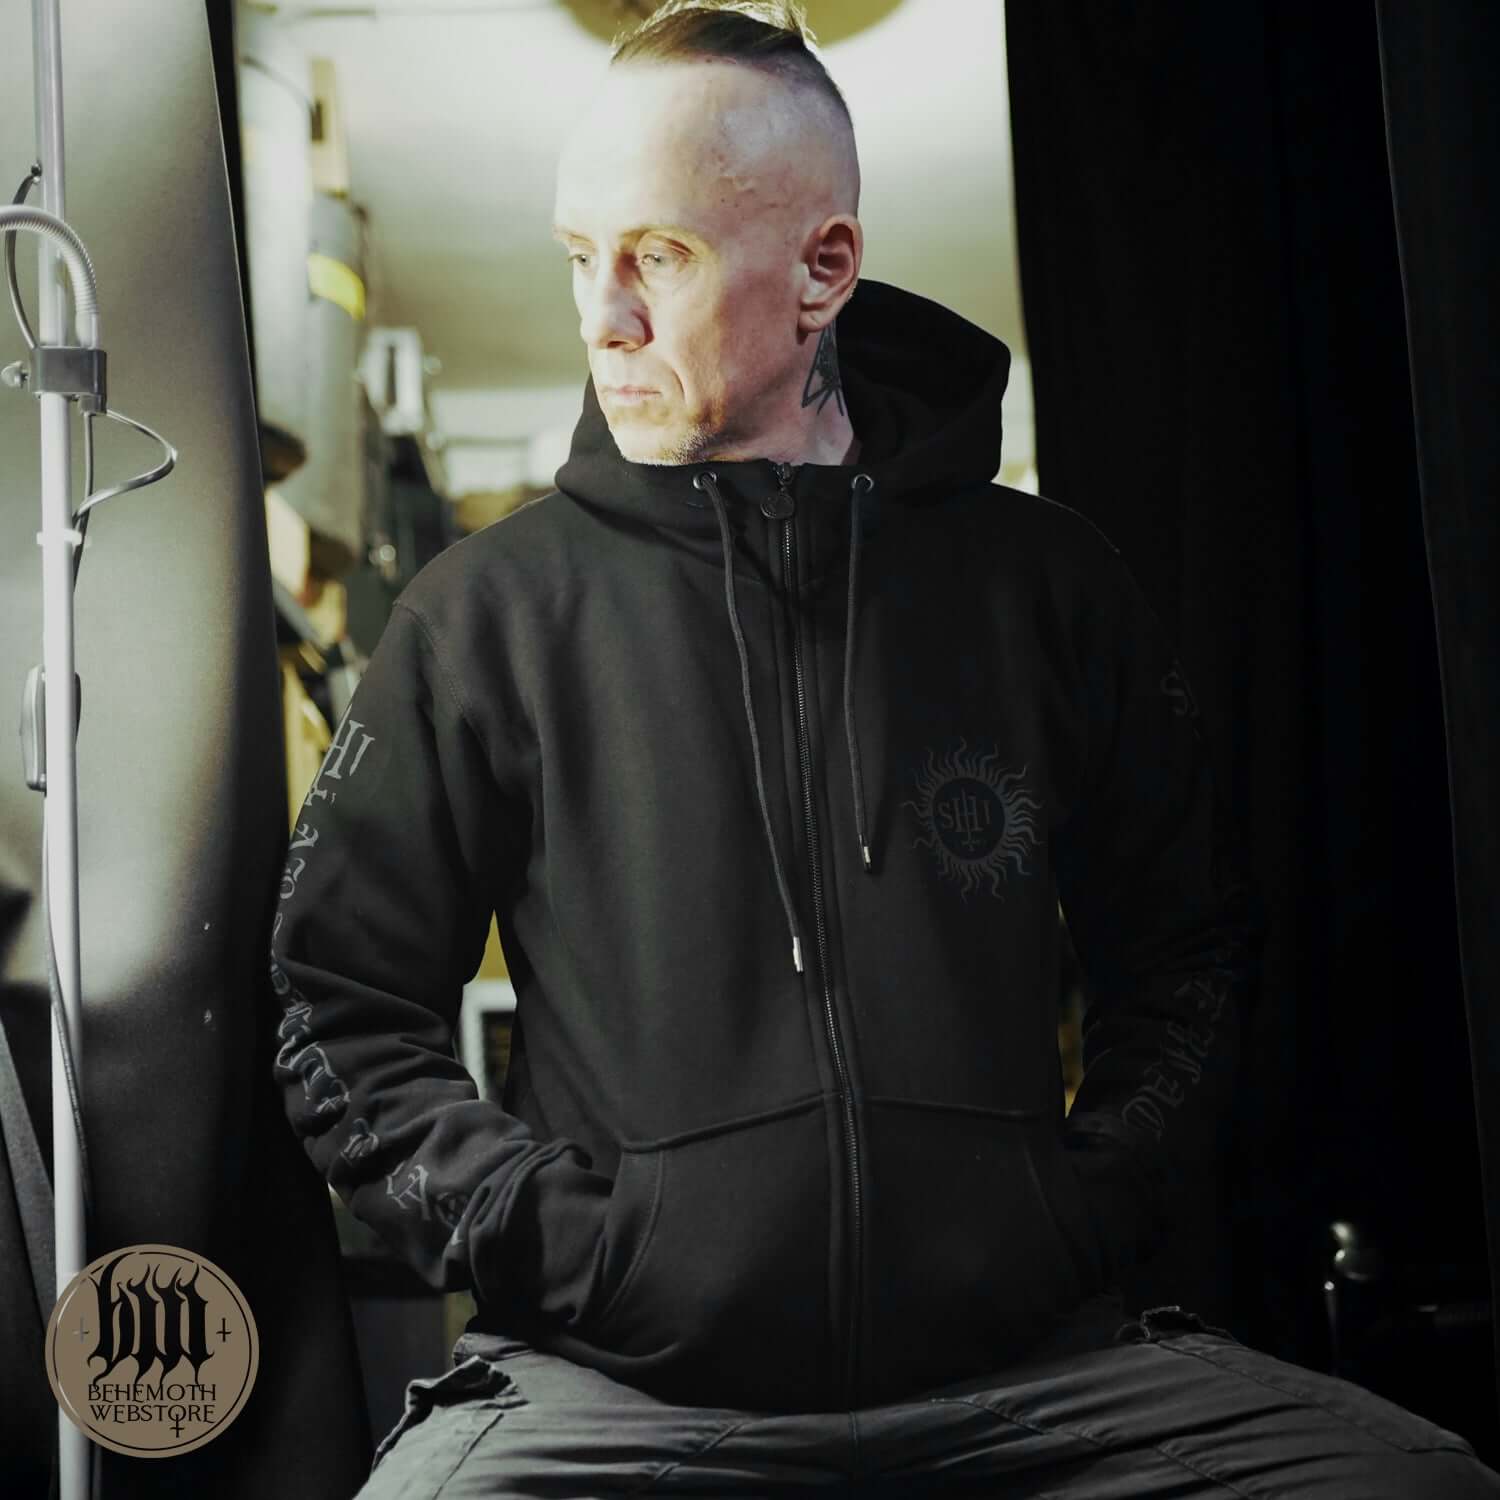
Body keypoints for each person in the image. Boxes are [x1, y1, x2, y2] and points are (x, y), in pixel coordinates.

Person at [267, 3, 1500, 1494]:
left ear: (824, 270)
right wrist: (573, 1246)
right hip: (623, 1387)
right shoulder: (485, 617)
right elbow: (340, 1009)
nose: (603, 318)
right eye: (580, 255)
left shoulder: (1047, 589)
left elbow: (1190, 952)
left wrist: (1080, 1210)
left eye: (659, 255)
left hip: (1032, 1375)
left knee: (1419, 1482)